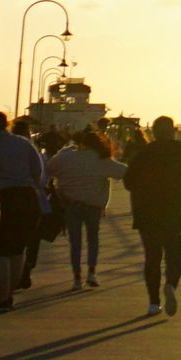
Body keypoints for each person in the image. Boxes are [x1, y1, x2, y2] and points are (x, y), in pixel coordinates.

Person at [123, 116, 181, 317]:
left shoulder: (144, 154)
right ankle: (171, 285)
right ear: (173, 131)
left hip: (148, 214)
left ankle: (153, 303)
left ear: (154, 132)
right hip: (179, 213)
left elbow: (128, 182)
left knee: (152, 258)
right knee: (175, 255)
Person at [0, 110, 48, 310]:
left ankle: (1, 298)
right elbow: (38, 172)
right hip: (26, 198)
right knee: (17, 248)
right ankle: (8, 295)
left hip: (1, 198)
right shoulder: (23, 143)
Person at [48, 124, 121, 290]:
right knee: (93, 239)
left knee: (75, 242)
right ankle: (91, 273)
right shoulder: (102, 160)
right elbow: (125, 172)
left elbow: (49, 168)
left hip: (71, 204)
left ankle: (76, 278)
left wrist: (65, 151)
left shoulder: (68, 156)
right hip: (93, 206)